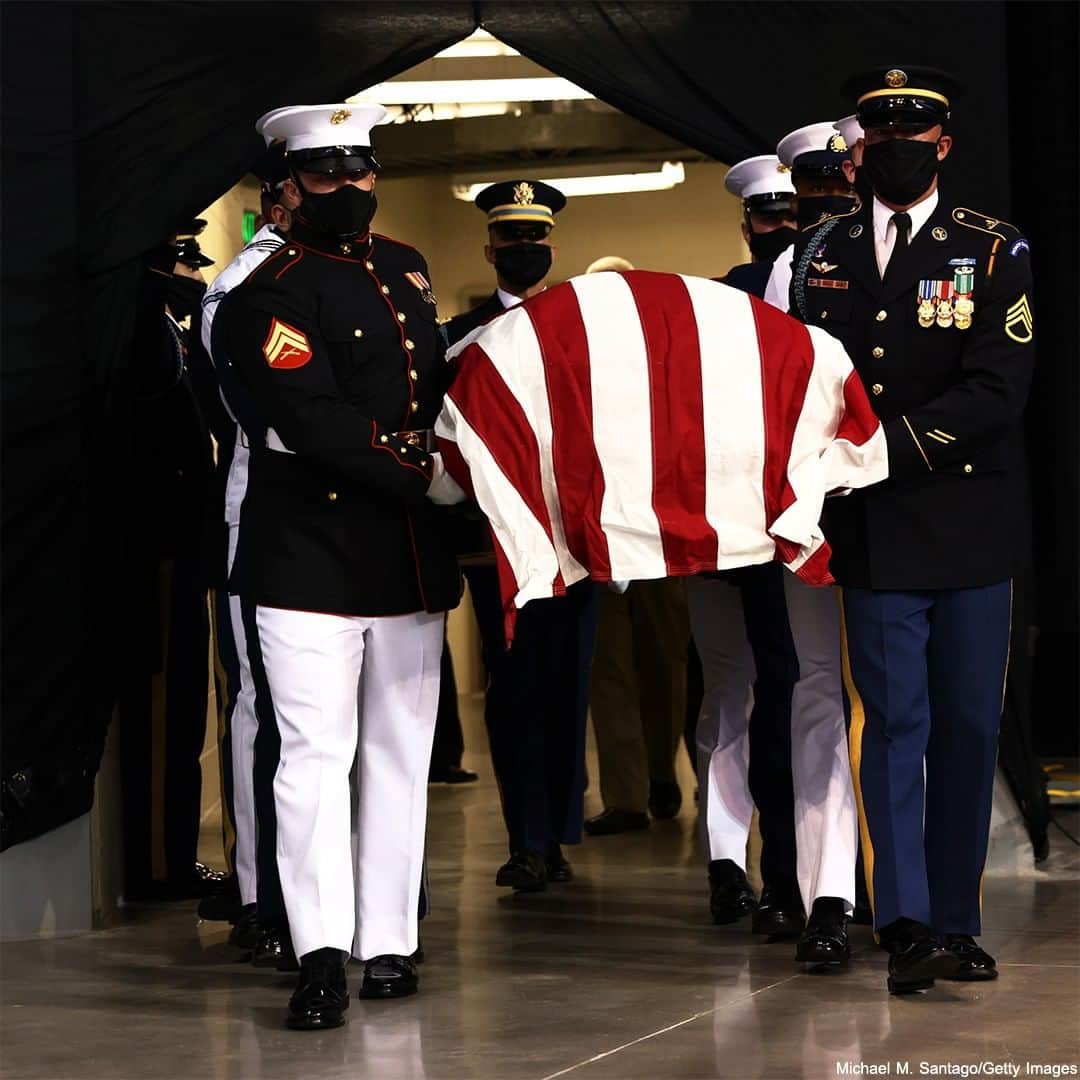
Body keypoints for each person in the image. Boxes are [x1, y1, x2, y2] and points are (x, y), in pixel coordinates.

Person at [793, 66, 1034, 993]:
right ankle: (903, 922)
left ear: (942, 145)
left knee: (968, 725)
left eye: (911, 134)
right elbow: (803, 380)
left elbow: (998, 388)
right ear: (860, 146)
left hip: (967, 521)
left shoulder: (993, 249)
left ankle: (958, 921)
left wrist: (881, 446)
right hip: (878, 531)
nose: (892, 148)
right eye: (877, 134)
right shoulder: (822, 254)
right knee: (894, 725)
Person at [221, 102, 462, 1028]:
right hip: (309, 557)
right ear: (288, 182)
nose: (348, 188)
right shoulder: (266, 290)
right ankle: (320, 950)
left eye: (360, 170)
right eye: (326, 174)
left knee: (400, 756)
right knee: (314, 760)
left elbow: (432, 383)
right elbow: (311, 419)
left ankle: (390, 942)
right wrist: (425, 473)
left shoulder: (406, 267)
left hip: (404, 558)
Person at [686, 151, 858, 965]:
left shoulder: (857, 272)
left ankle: (845, 881)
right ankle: (783, 878)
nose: (786, 222)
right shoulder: (732, 294)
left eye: (800, 207)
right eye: (770, 214)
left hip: (845, 510)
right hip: (763, 526)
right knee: (773, 692)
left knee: (839, 702)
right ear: (747, 223)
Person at [443, 179, 599, 893]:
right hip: (498, 545)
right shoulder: (459, 338)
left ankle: (559, 831)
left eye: (536, 239)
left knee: (566, 688)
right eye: (512, 239)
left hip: (579, 545)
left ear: (552, 247)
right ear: (491, 248)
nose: (526, 249)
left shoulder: (587, 327)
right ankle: (525, 837)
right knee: (513, 691)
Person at [200, 140, 299, 963]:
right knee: (263, 709)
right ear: (278, 198)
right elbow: (228, 406)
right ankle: (263, 893)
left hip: (335, 522)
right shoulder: (240, 286)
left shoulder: (356, 270)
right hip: (261, 514)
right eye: (321, 177)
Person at [117, 221, 227, 905]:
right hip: (156, 548)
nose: (188, 275)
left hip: (185, 544)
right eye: (177, 260)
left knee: (185, 708)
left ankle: (177, 852)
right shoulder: (141, 335)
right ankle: (160, 863)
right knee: (163, 710)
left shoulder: (170, 332)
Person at [582, 253, 691, 836]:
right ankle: (625, 796)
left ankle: (660, 773)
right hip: (599, 539)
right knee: (610, 670)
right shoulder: (578, 366)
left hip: (662, 537)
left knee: (665, 664)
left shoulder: (670, 363)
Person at [764, 121, 860, 310]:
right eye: (818, 188)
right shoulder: (786, 264)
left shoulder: (883, 249)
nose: (834, 200)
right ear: (795, 200)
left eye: (848, 189)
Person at [719, 154, 797, 298]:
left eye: (794, 219)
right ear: (747, 232)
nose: (785, 226)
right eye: (770, 218)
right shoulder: (733, 289)